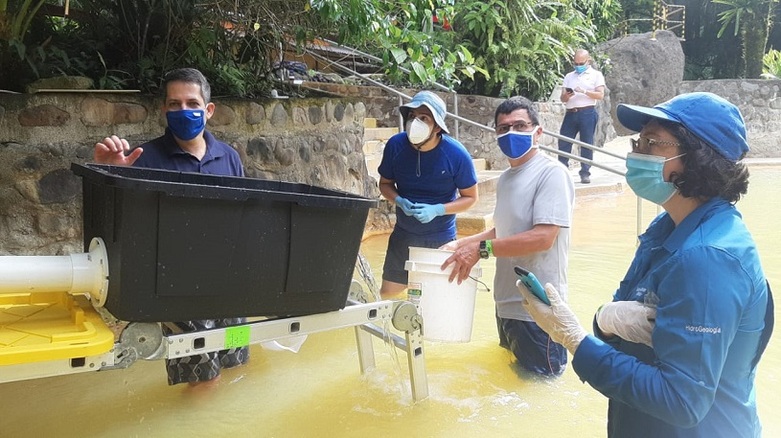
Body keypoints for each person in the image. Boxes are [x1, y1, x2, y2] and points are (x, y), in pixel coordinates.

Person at [519, 92, 774, 436]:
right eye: (639, 140)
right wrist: (605, 321)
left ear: (698, 159)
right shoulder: (666, 228)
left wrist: (575, 340)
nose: (636, 151)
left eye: (653, 142)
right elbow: (621, 327)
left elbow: (682, 401)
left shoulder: (707, 257)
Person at [94, 68, 249, 387]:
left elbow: (242, 219)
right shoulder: (143, 159)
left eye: (191, 102)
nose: (183, 110)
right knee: (203, 379)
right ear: (164, 109)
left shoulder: (229, 157)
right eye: (174, 103)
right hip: (176, 289)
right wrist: (109, 177)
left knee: (238, 362)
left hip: (230, 286)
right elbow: (117, 230)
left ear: (208, 110)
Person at [441, 96, 575, 377]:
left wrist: (480, 249)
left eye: (519, 125)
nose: (511, 133)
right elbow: (503, 230)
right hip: (507, 305)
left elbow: (543, 237)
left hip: (539, 312)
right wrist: (460, 244)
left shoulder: (552, 174)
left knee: (540, 391)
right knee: (514, 385)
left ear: (537, 132)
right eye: (503, 129)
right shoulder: (506, 178)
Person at [377, 90, 478, 299]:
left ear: (438, 127)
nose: (415, 122)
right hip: (403, 235)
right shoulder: (396, 146)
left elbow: (471, 197)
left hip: (440, 239)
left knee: (436, 301)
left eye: (424, 118)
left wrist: (439, 210)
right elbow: (385, 183)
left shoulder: (456, 154)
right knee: (388, 296)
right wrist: (399, 200)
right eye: (412, 116)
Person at [558, 48, 605, 184]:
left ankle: (585, 173)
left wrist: (584, 91)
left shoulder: (596, 75)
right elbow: (562, 99)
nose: (578, 66)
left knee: (586, 144)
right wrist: (566, 96)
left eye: (581, 63)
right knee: (564, 142)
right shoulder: (569, 76)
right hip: (571, 112)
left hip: (587, 112)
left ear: (588, 61)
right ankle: (562, 170)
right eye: (576, 63)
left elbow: (600, 95)